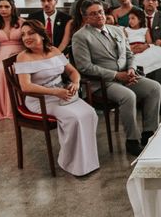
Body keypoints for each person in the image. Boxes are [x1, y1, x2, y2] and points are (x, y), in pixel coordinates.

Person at [71, 0, 161, 156]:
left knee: (154, 88)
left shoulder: (117, 30)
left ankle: (149, 134)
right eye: (93, 14)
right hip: (102, 83)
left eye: (100, 12)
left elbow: (129, 54)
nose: (99, 16)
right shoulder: (80, 37)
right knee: (129, 96)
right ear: (86, 18)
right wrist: (116, 75)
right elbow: (85, 67)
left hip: (126, 75)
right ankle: (132, 141)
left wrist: (131, 69)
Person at [14, 20, 99, 176]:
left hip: (63, 94)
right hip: (40, 99)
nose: (26, 37)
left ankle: (87, 161)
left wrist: (75, 82)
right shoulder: (23, 57)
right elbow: (26, 87)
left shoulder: (54, 51)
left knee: (90, 113)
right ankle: (68, 161)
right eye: (23, 34)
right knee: (73, 118)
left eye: (31, 33)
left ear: (41, 34)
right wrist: (54, 92)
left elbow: (73, 72)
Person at [123, 8, 161, 76]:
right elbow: (124, 43)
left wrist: (145, 46)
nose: (130, 21)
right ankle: (138, 71)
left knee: (159, 50)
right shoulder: (126, 30)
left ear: (139, 19)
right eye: (129, 19)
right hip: (131, 49)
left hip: (143, 48)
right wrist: (131, 48)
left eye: (133, 18)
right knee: (134, 58)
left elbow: (149, 43)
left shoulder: (145, 30)